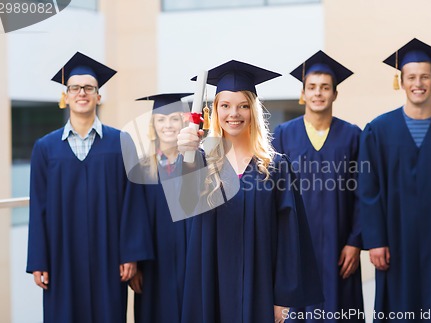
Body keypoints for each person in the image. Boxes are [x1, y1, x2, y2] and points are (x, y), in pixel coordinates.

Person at [177, 60, 324, 323]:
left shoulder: (276, 167)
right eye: (225, 106)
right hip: (211, 284)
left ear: (253, 111)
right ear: (214, 111)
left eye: (243, 105)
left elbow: (289, 236)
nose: (234, 113)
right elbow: (183, 202)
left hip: (261, 287)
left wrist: (283, 297)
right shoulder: (201, 162)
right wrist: (186, 156)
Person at [26, 52, 153, 323]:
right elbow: (39, 207)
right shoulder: (45, 148)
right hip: (62, 255)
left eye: (89, 88)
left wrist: (130, 254)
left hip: (109, 255)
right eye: (75, 88)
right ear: (66, 96)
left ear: (98, 96)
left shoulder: (121, 142)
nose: (81, 93)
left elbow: (133, 202)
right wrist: (39, 259)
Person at [358, 38, 431, 322]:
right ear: (400, 82)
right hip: (394, 240)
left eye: (425, 76)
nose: (418, 83)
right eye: (411, 77)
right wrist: (375, 240)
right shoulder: (378, 130)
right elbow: (368, 189)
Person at [272, 50, 364, 322]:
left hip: (340, 246)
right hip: (297, 246)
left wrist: (355, 242)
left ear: (335, 94)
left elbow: (363, 193)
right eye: (311, 87)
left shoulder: (352, 135)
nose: (318, 93)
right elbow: (274, 194)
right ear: (303, 94)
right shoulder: (283, 135)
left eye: (325, 88)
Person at [128, 93, 193, 323]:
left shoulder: (195, 164)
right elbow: (134, 219)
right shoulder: (141, 170)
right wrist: (136, 264)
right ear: (153, 125)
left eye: (174, 118)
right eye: (161, 119)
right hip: (154, 265)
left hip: (191, 261)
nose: (168, 125)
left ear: (184, 121)